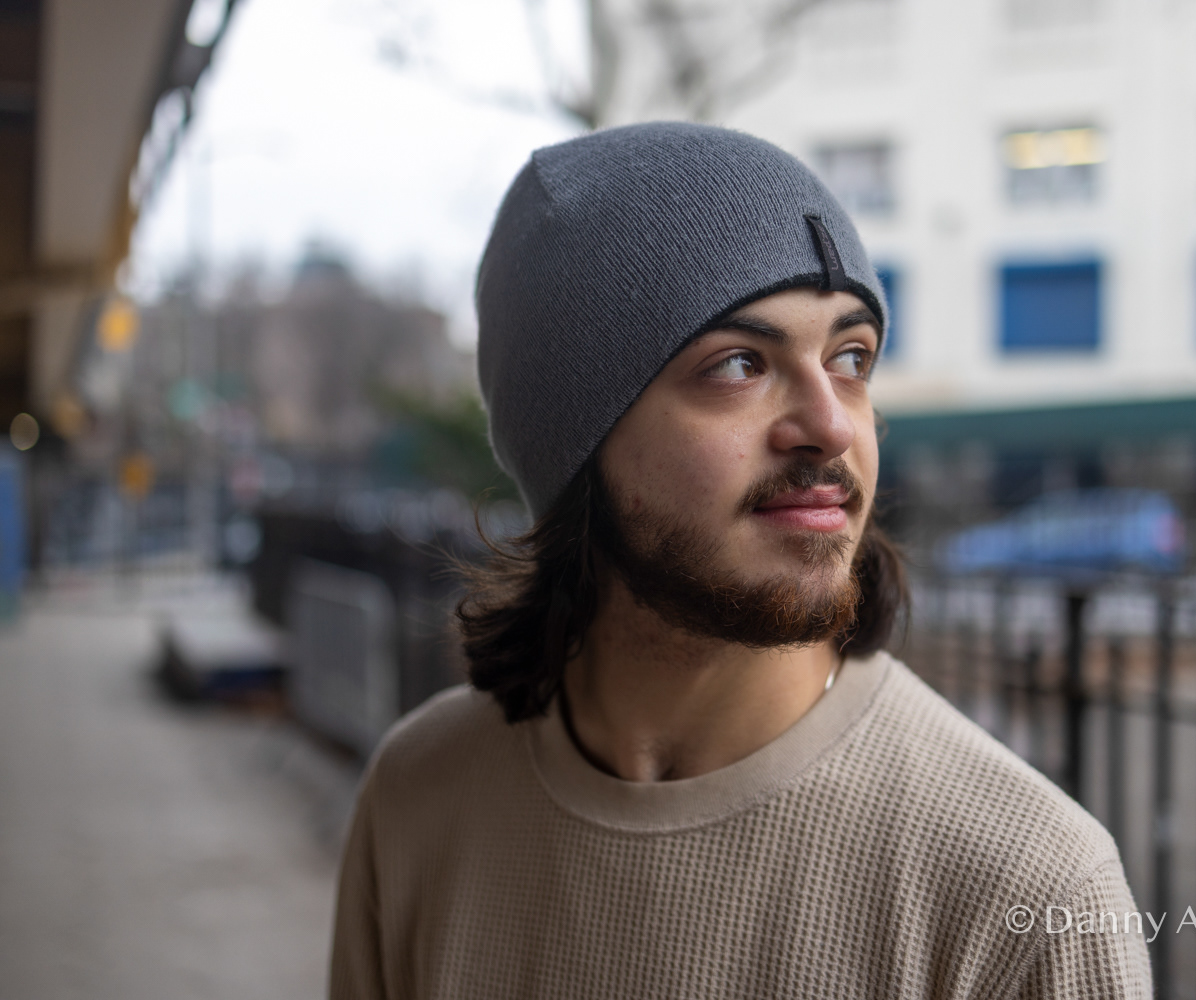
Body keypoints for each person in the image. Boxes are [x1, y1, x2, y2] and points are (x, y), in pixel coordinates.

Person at [329, 121, 1151, 999]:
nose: (834, 424)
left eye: (850, 357)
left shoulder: (1032, 892)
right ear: (574, 443)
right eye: (737, 364)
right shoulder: (419, 796)